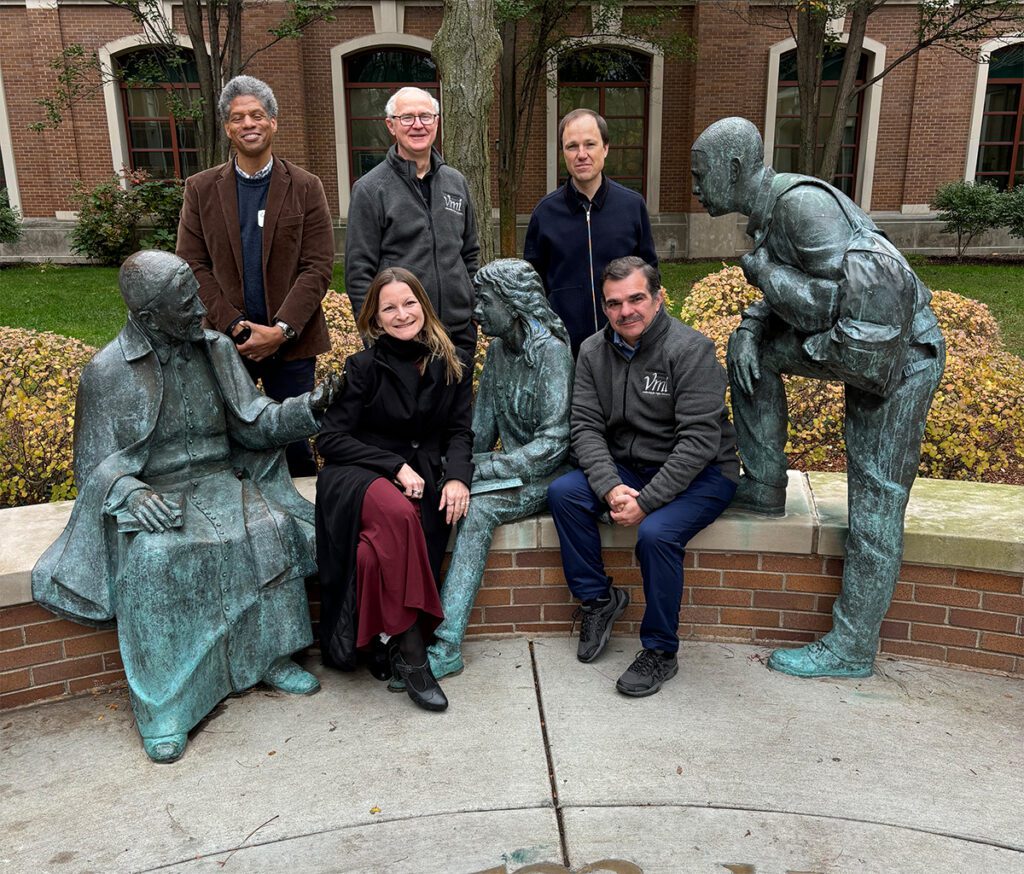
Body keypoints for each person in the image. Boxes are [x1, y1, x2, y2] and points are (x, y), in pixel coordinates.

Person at [32, 251, 341, 763]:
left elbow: (255, 421)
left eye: (196, 294)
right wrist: (130, 491)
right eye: (186, 302)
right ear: (149, 319)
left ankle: (270, 656)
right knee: (154, 561)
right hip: (159, 493)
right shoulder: (106, 372)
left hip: (224, 481)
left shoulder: (217, 348)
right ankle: (165, 708)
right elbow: (93, 468)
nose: (202, 308)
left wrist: (310, 407)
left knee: (271, 526)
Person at [690, 117, 945, 679]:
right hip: (853, 346)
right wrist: (753, 325)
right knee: (749, 352)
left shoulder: (801, 207)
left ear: (735, 170)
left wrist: (761, 274)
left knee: (876, 501)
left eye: (700, 173)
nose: (695, 187)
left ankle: (852, 648)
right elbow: (802, 290)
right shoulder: (772, 209)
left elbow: (829, 303)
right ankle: (763, 485)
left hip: (898, 360)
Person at [547, 256, 740, 697]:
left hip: (703, 472)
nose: (625, 311)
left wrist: (646, 501)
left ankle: (660, 651)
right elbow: (586, 427)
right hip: (629, 467)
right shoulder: (593, 350)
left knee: (655, 534)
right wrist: (610, 486)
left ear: (658, 298)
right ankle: (599, 600)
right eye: (614, 303)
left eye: (636, 299)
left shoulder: (690, 350)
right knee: (563, 494)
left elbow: (697, 442)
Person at [315, 267, 474, 712]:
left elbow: (461, 432)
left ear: (424, 305)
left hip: (420, 478)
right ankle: (414, 656)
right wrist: (396, 465)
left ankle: (378, 640)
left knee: (372, 553)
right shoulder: (363, 367)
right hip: (359, 476)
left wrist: (458, 475)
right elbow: (330, 440)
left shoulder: (452, 363)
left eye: (409, 303)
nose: (402, 314)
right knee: (401, 515)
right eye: (389, 308)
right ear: (376, 318)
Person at [176, 75, 335, 477]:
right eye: (238, 117)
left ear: (273, 122)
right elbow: (192, 264)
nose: (249, 123)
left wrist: (281, 329)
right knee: (230, 447)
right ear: (228, 128)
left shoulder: (305, 187)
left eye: (257, 115)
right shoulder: (200, 189)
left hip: (293, 346)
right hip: (226, 345)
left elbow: (317, 266)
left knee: (295, 446)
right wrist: (234, 327)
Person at [427, 259, 574, 680]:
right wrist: (454, 467)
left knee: (476, 510)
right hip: (511, 466)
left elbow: (553, 442)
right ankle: (411, 622)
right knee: (434, 485)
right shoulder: (497, 353)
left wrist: (485, 473)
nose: (476, 311)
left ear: (513, 304)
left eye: (485, 302)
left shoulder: (552, 353)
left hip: (549, 474)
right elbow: (479, 432)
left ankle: (448, 641)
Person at [345, 87, 480, 355]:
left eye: (425, 117)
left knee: (458, 399)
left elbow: (470, 254)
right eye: (407, 118)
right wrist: (375, 336)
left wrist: (473, 311)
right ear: (391, 126)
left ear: (437, 123)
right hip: (402, 336)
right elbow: (359, 271)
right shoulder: (371, 190)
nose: (418, 125)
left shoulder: (456, 183)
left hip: (458, 333)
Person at [524, 108, 658, 357]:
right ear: (563, 153)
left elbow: (650, 276)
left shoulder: (632, 206)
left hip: (626, 346)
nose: (581, 154)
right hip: (566, 350)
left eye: (590, 144)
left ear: (605, 148)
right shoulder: (544, 214)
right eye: (572, 146)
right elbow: (534, 287)